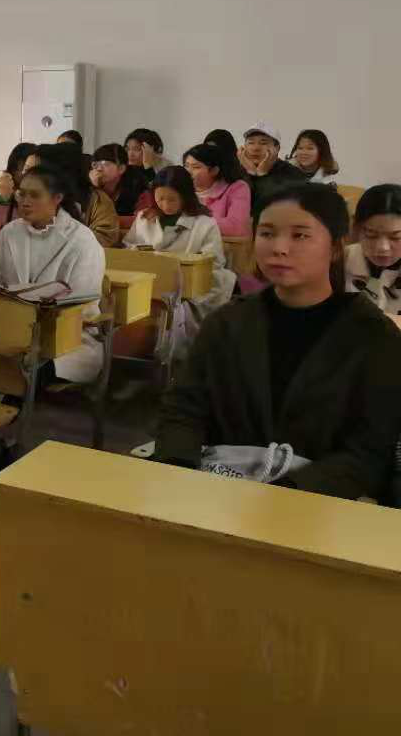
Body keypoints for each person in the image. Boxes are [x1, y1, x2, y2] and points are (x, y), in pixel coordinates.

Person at [153, 183, 401, 502]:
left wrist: (288, 494)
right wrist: (180, 469)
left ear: (336, 247)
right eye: (267, 233)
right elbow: (183, 408)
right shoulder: (226, 322)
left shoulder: (375, 336)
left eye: (300, 235)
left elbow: (369, 447)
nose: (279, 248)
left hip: (321, 502)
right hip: (219, 490)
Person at [0, 163, 106, 384]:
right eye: (21, 194)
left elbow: (83, 304)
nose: (25, 201)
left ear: (57, 198)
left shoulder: (81, 240)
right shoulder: (9, 233)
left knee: (31, 373)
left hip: (66, 337)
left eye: (35, 195)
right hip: (11, 329)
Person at [123, 166, 236, 361]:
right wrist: (138, 253)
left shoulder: (204, 223)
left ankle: (174, 359)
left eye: (172, 199)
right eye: (160, 199)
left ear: (185, 196)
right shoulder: (144, 218)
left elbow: (214, 262)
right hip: (148, 282)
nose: (165, 205)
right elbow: (128, 247)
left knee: (172, 310)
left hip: (188, 287)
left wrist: (186, 266)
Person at [28, 143, 119, 248]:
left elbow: (106, 238)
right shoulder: (29, 198)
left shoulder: (98, 200)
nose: (29, 176)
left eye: (39, 171)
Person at [346, 184, 401, 317]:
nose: (382, 247)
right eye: (371, 234)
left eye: (396, 237)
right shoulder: (340, 261)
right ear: (356, 228)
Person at [181, 142, 252, 237]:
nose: (188, 172)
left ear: (214, 170)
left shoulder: (237, 188)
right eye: (186, 166)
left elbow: (236, 227)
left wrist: (192, 221)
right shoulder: (179, 188)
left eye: (196, 167)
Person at [0, 142, 35, 253]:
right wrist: (2, 200)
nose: (27, 175)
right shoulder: (4, 199)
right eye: (23, 169)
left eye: (31, 170)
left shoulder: (43, 201)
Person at [237, 121, 305, 202]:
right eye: (251, 143)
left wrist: (262, 175)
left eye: (263, 143)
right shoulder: (235, 172)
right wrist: (250, 173)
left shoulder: (293, 174)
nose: (256, 148)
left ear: (277, 148)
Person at [89, 142, 150, 217]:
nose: (99, 169)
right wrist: (94, 188)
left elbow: (141, 218)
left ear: (121, 169)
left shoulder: (138, 187)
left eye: (105, 164)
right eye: (95, 164)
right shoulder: (88, 187)